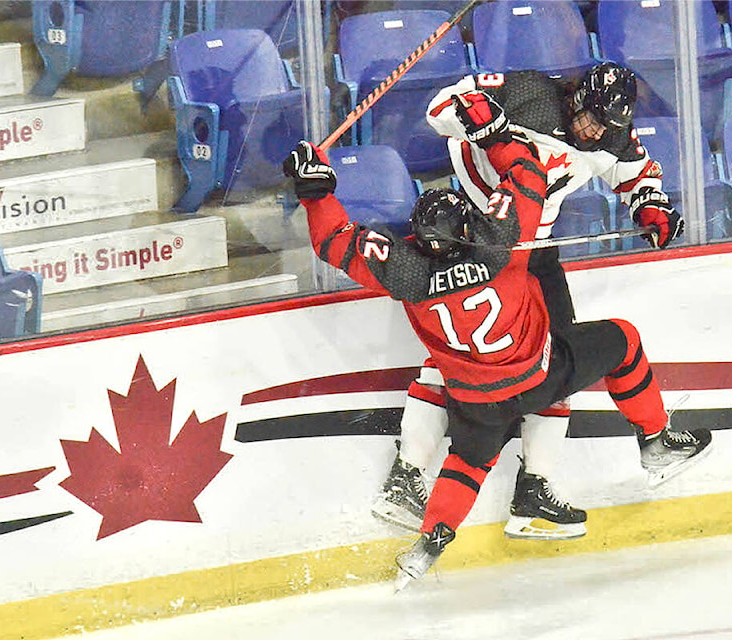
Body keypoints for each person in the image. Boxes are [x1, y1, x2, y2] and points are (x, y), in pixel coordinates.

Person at [283, 90, 709, 588]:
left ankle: (430, 542)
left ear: (418, 240)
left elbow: (334, 241)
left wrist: (314, 193)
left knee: (466, 463)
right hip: (538, 378)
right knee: (624, 341)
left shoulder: (406, 273)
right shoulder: (500, 247)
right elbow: (528, 172)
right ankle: (655, 441)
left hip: (475, 400)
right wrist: (494, 134)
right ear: (469, 226)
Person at [372, 62, 690, 540]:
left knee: (557, 363)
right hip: (471, 244)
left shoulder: (612, 131)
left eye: (607, 126)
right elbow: (441, 109)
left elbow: (637, 173)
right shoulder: (528, 93)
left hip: (533, 255)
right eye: (591, 119)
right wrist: (476, 115)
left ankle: (533, 492)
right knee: (453, 363)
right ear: (575, 97)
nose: (595, 132)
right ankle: (405, 478)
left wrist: (651, 205)